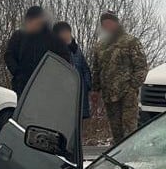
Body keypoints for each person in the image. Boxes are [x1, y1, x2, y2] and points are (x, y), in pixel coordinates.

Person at [90, 11, 148, 145]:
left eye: (109, 23)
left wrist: (132, 87)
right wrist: (95, 89)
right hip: (109, 95)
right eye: (104, 24)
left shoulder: (131, 42)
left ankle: (130, 157)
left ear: (116, 23)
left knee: (129, 129)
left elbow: (141, 67)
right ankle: (118, 157)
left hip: (127, 94)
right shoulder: (100, 46)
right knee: (116, 131)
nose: (107, 26)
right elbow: (97, 69)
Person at [4, 6, 70, 98]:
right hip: (23, 86)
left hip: (47, 88)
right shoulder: (19, 37)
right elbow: (9, 55)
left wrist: (53, 76)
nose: (32, 24)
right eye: (29, 21)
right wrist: (17, 72)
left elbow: (64, 59)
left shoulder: (53, 40)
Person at [53, 21, 92, 118]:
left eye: (67, 32)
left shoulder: (76, 50)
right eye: (62, 33)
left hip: (79, 97)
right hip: (62, 98)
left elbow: (85, 69)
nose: (66, 35)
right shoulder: (54, 52)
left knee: (78, 127)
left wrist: (87, 86)